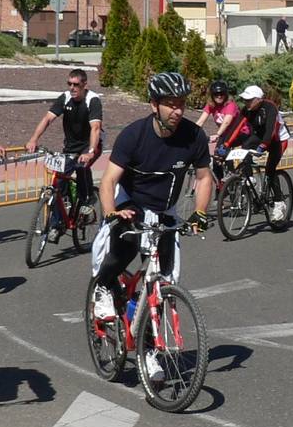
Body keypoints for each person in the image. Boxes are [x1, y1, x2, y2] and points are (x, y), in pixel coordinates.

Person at [91, 73, 214, 381]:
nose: (177, 111)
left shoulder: (193, 137)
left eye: (181, 104)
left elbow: (203, 178)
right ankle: (104, 287)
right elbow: (107, 181)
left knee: (163, 283)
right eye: (170, 104)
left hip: (165, 209)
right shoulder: (134, 135)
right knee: (126, 241)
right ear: (154, 104)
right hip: (130, 201)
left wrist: (200, 212)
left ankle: (149, 351)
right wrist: (110, 213)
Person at [25, 67, 103, 218]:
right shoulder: (65, 97)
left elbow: (95, 128)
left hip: (91, 145)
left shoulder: (92, 100)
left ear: (84, 85)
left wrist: (90, 152)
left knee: (81, 166)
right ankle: (56, 224)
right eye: (69, 84)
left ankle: (87, 199)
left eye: (76, 85)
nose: (72, 88)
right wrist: (33, 139)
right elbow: (48, 118)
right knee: (58, 180)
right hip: (71, 147)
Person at [220, 85, 290, 217]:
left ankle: (279, 202)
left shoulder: (270, 108)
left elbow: (271, 130)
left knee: (270, 170)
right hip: (260, 136)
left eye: (249, 100)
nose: (246, 103)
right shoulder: (247, 109)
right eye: (245, 100)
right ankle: (250, 178)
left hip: (277, 140)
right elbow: (236, 127)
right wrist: (226, 144)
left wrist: (263, 145)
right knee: (246, 145)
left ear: (258, 99)